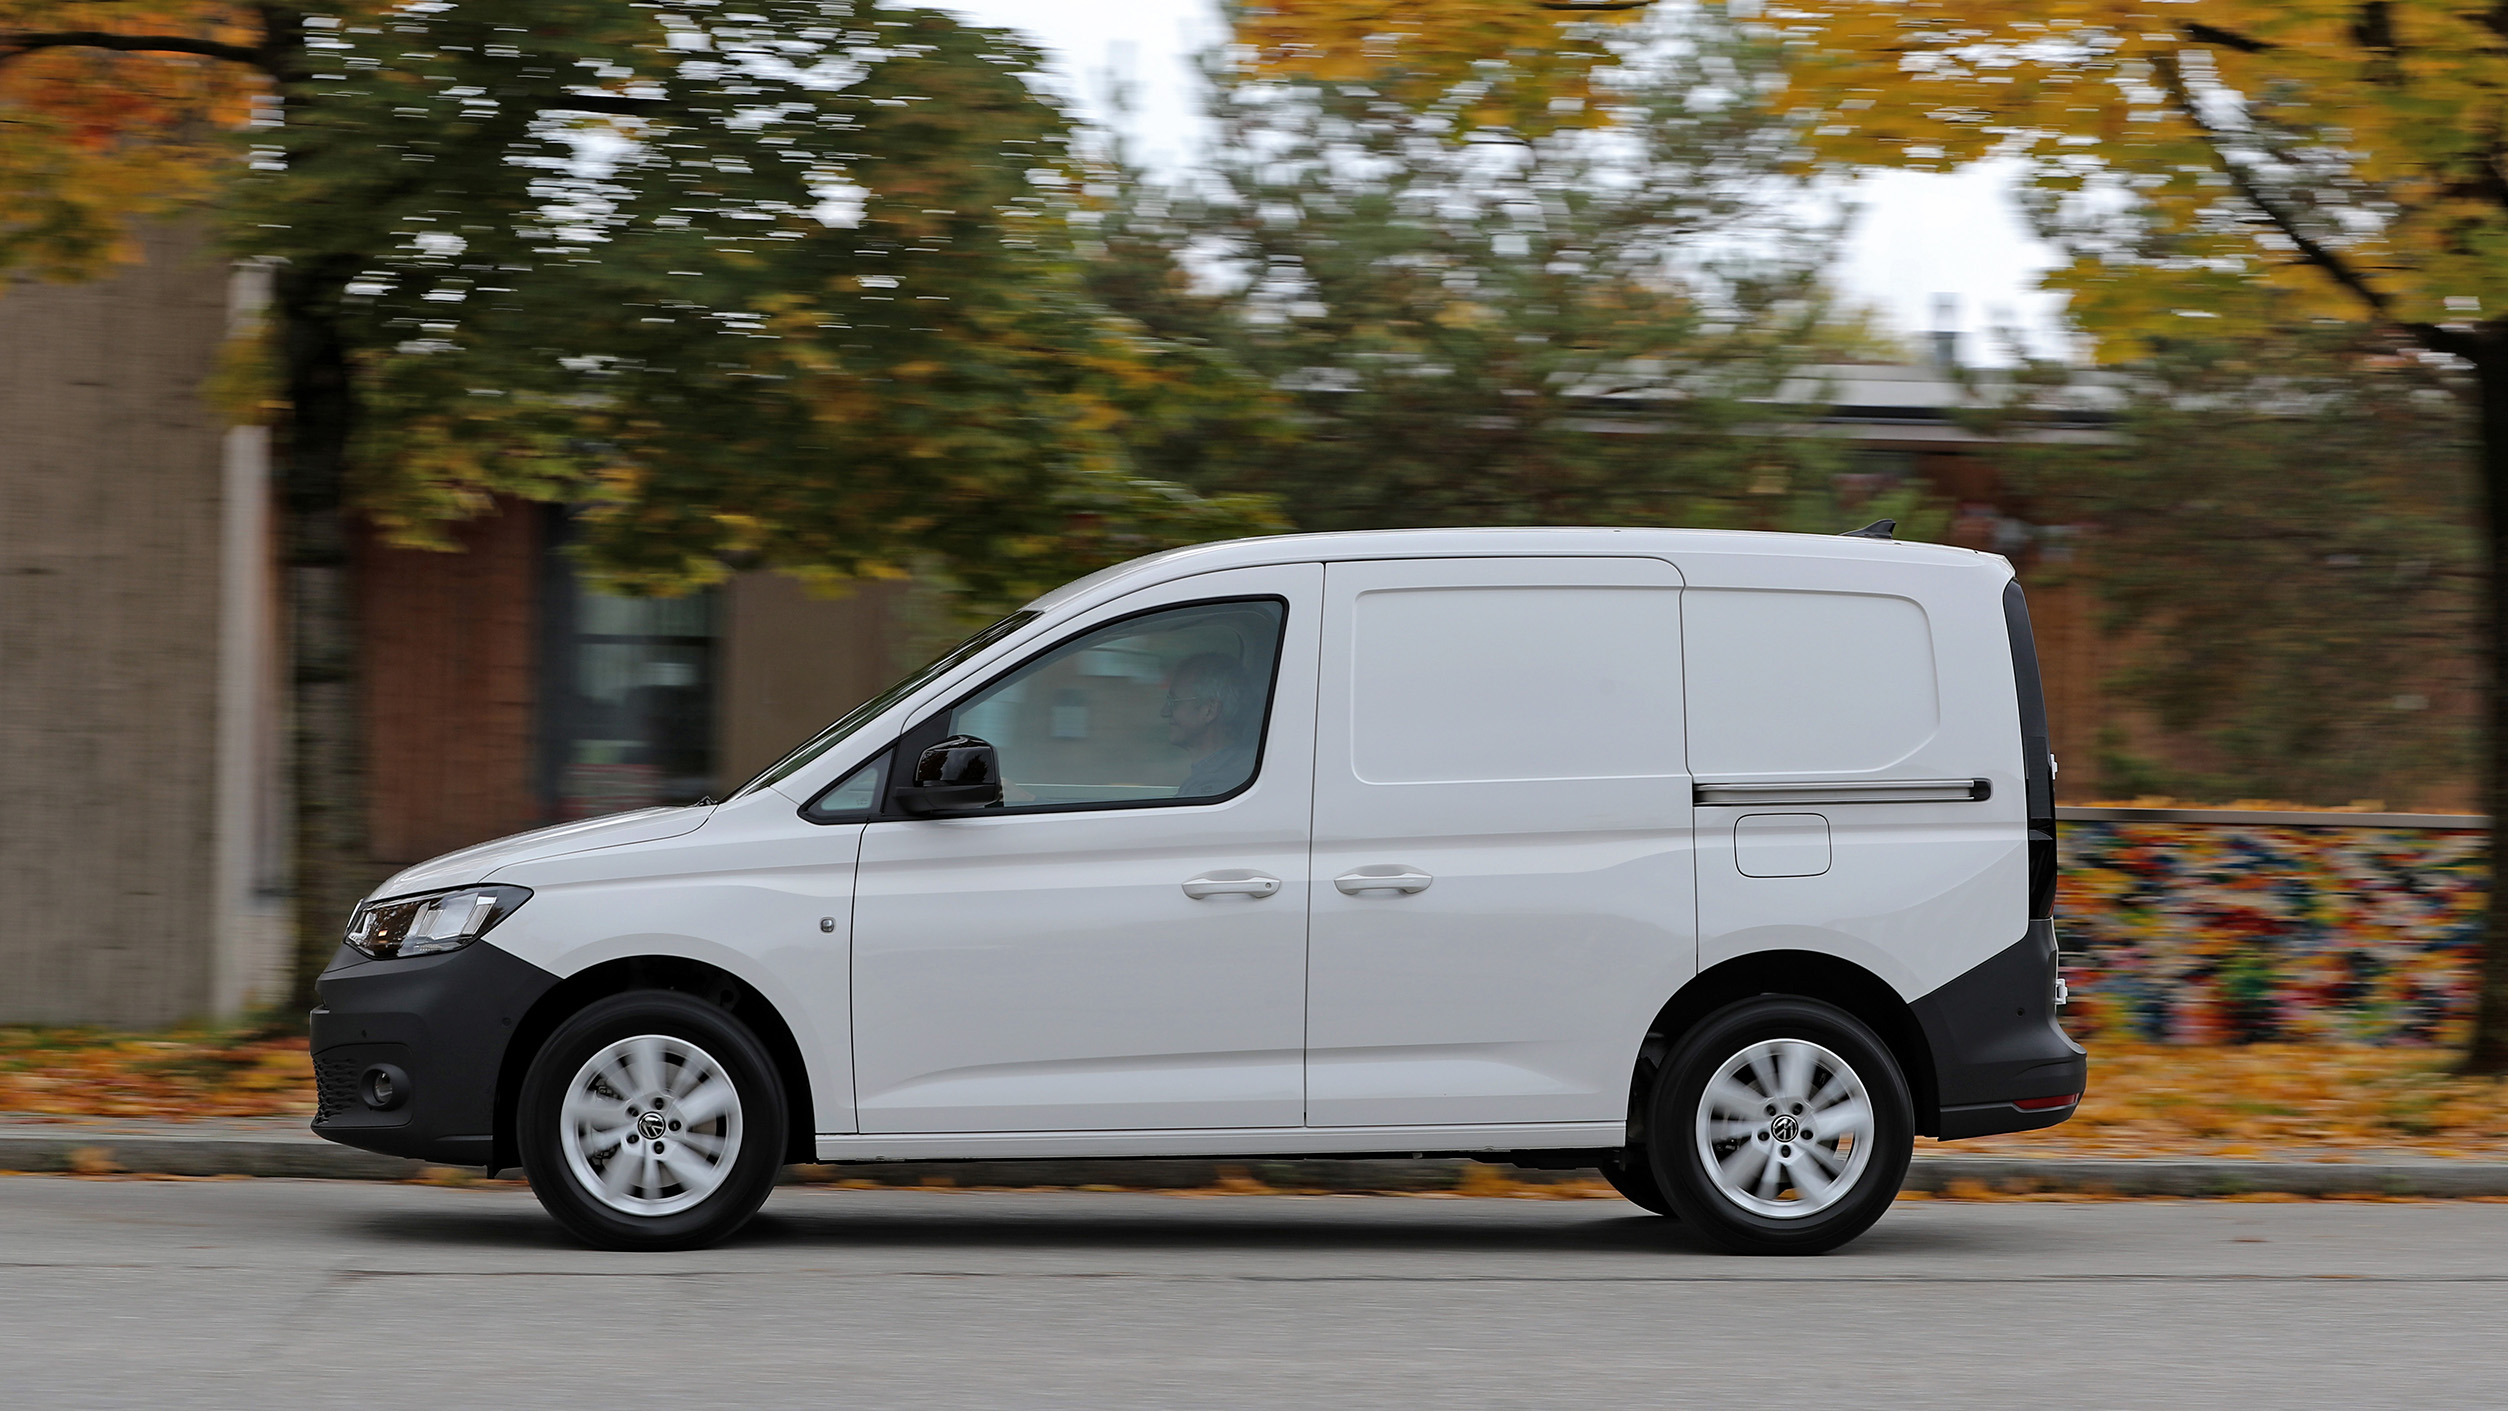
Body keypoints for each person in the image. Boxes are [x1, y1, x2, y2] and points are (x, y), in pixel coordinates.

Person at [1163, 652, 1258, 798]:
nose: (1164, 712)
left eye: (1174, 702)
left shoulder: (1214, 788)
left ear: (1209, 710)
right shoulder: (1236, 772)